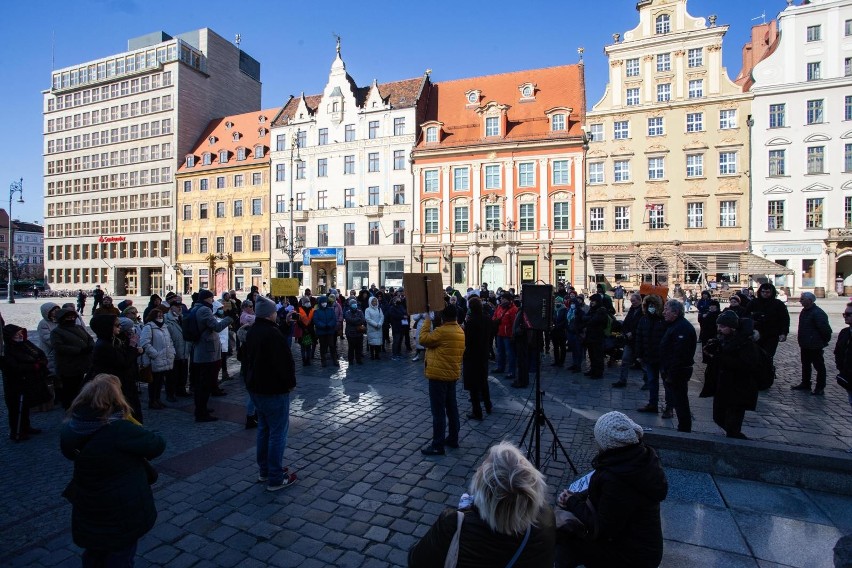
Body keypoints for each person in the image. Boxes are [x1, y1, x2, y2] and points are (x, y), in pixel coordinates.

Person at [60, 374, 165, 567]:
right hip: (120, 507)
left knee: (94, 552)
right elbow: (156, 444)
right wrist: (130, 419)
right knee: (120, 555)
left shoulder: (73, 427)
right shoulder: (119, 429)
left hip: (88, 502)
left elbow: (68, 451)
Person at [409, 441, 555, 567]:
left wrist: (466, 513)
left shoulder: (453, 525)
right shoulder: (546, 517)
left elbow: (416, 560)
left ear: (484, 490)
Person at [554, 412, 667, 568]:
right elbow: (606, 499)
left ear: (606, 444)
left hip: (633, 557)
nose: (595, 442)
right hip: (644, 546)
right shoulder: (639, 458)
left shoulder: (617, 479)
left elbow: (602, 528)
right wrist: (576, 497)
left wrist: (571, 501)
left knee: (566, 537)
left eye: (597, 439)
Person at [243, 296, 298, 491]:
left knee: (264, 430)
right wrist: (290, 384)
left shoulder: (254, 331)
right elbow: (283, 362)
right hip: (273, 389)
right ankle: (275, 477)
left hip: (256, 388)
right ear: (270, 314)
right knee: (277, 433)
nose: (277, 314)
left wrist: (284, 325)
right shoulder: (271, 334)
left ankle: (264, 470)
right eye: (275, 312)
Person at [700, 310, 760, 439]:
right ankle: (734, 437)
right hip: (723, 386)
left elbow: (747, 365)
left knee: (732, 422)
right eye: (718, 326)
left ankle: (737, 442)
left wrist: (718, 358)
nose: (719, 329)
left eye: (722, 326)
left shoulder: (745, 343)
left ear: (732, 327)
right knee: (718, 417)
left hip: (738, 388)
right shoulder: (723, 339)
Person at [418, 304, 465, 456]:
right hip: (451, 375)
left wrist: (427, 320)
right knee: (452, 409)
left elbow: (423, 339)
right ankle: (453, 438)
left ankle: (438, 445)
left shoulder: (443, 331)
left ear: (444, 317)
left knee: (438, 412)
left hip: (438, 377)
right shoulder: (459, 330)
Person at [89, 314, 144, 423]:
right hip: (116, 385)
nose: (120, 327)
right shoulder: (104, 345)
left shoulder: (112, 341)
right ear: (107, 327)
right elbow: (123, 363)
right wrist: (133, 346)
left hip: (122, 382)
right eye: (116, 325)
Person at [190, 290, 233, 422]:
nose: (212, 301)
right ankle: (201, 412)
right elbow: (217, 327)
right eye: (211, 299)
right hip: (206, 351)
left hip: (202, 350)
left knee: (204, 382)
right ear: (206, 299)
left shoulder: (196, 308)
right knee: (204, 383)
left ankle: (202, 408)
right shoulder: (204, 310)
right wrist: (229, 318)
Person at [2, 324, 48, 441]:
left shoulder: (25, 344)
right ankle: (16, 431)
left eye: (20, 333)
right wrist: (34, 366)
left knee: (25, 405)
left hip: (29, 380)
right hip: (15, 383)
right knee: (16, 408)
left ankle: (26, 427)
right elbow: (13, 367)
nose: (20, 335)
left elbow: (39, 352)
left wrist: (41, 362)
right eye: (16, 334)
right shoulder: (7, 349)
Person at [659, 299, 697, 432]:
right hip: (671, 370)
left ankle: (684, 428)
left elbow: (679, 355)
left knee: (681, 401)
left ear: (675, 313)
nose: (663, 313)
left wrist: (671, 373)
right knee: (678, 399)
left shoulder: (682, 328)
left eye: (666, 310)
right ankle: (683, 426)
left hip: (678, 371)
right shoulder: (673, 325)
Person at [50, 306, 94, 409]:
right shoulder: (56, 332)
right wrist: (79, 350)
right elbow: (59, 346)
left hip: (83, 362)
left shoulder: (79, 327)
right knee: (69, 388)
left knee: (81, 385)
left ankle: (81, 405)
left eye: (73, 317)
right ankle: (69, 407)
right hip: (68, 365)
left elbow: (89, 337)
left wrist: (91, 346)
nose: (71, 319)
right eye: (68, 317)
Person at [793, 291, 832, 395]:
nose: (800, 301)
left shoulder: (818, 313)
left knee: (819, 366)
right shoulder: (804, 311)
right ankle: (806, 383)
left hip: (815, 345)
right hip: (805, 344)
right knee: (805, 365)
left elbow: (825, 330)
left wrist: (823, 341)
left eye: (802, 299)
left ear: (809, 300)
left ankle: (820, 387)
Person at [746, 282, 790, 371]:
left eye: (767, 292)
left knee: (768, 355)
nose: (765, 294)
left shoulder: (778, 304)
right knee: (756, 355)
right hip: (756, 333)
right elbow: (746, 316)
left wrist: (784, 333)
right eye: (763, 292)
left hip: (772, 334)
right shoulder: (753, 302)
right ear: (760, 292)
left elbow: (785, 319)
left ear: (771, 292)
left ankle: (767, 373)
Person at [635, 295, 668, 414]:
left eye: (653, 306)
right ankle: (652, 404)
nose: (651, 308)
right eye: (649, 306)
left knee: (666, 383)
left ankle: (668, 407)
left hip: (663, 357)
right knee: (652, 382)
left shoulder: (663, 320)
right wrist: (639, 354)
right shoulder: (644, 319)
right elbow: (639, 337)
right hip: (649, 356)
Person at [139, 307, 175, 410]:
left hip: (166, 358)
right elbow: (145, 343)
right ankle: (152, 401)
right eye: (158, 315)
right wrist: (155, 354)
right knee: (153, 382)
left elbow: (170, 341)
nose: (160, 317)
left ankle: (158, 400)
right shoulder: (149, 327)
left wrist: (172, 352)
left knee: (160, 382)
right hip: (155, 359)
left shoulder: (165, 327)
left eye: (161, 315)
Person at [463, 297, 493, 420]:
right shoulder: (486, 319)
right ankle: (488, 405)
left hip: (472, 356)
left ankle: (477, 411)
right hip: (484, 354)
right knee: (483, 381)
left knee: (473, 385)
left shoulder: (471, 322)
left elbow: (468, 340)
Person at [612, 292, 643, 388]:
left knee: (643, 362)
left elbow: (641, 325)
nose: (632, 303)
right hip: (629, 341)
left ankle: (648, 382)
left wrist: (632, 333)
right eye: (631, 301)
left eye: (634, 301)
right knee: (625, 360)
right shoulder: (631, 310)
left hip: (638, 340)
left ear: (639, 300)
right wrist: (625, 332)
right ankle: (622, 380)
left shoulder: (643, 311)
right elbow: (626, 323)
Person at [163, 300, 191, 401]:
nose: (180, 308)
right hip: (173, 349)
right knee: (171, 375)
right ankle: (170, 394)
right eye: (177, 306)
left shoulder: (183, 318)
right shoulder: (166, 319)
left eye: (180, 306)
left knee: (183, 373)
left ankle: (181, 390)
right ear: (171, 308)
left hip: (183, 349)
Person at [581, 294, 609, 379]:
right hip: (590, 336)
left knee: (598, 356)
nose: (591, 302)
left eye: (593, 301)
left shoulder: (601, 310)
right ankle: (593, 370)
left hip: (597, 336)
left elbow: (594, 320)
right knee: (591, 355)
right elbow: (585, 318)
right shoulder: (593, 309)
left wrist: (588, 319)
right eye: (591, 301)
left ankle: (598, 373)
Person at [492, 293, 518, 381]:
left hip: (508, 335)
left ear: (508, 299)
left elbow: (514, 323)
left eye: (503, 298)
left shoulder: (513, 309)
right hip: (499, 333)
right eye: (501, 298)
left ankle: (511, 371)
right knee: (500, 352)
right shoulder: (499, 307)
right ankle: (500, 367)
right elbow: (494, 316)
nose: (501, 300)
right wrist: (496, 320)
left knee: (510, 354)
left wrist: (512, 335)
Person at [313, 295, 340, 368]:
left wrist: (329, 325)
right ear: (320, 303)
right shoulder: (317, 311)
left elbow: (334, 319)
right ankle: (323, 360)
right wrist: (323, 325)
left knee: (332, 346)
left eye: (325, 302)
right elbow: (316, 320)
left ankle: (335, 359)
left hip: (330, 331)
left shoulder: (331, 310)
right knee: (323, 347)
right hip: (321, 332)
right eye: (323, 302)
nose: (324, 303)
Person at [293, 296, 316, 366]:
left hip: (310, 330)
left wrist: (309, 328)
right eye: (306, 302)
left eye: (308, 301)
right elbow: (297, 320)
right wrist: (304, 328)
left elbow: (313, 320)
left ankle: (308, 360)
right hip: (302, 331)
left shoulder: (312, 309)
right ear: (303, 303)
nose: (307, 303)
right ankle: (304, 360)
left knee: (309, 346)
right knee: (303, 346)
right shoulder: (298, 309)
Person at [344, 298, 366, 365]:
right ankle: (350, 360)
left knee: (359, 347)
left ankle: (358, 359)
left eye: (355, 303)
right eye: (353, 304)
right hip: (350, 333)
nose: (354, 305)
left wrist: (355, 320)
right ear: (350, 305)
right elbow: (349, 320)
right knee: (351, 347)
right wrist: (357, 320)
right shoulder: (347, 312)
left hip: (359, 332)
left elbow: (363, 320)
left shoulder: (360, 311)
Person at [365, 296, 385, 361]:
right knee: (372, 343)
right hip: (372, 328)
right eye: (373, 301)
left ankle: (377, 355)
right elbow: (368, 319)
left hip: (379, 327)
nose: (374, 302)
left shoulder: (379, 309)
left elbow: (382, 317)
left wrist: (380, 324)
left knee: (378, 343)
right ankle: (372, 355)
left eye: (375, 301)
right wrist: (375, 324)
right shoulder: (367, 310)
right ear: (370, 302)